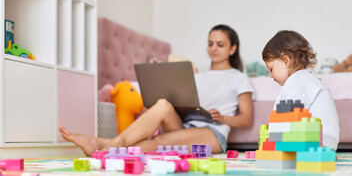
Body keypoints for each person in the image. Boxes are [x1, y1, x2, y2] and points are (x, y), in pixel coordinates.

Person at [59, 24, 254, 156]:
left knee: (159, 141)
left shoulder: (238, 77)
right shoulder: (196, 75)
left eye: (220, 45)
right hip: (185, 125)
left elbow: (247, 119)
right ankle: (113, 145)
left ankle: (106, 146)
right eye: (210, 44)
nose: (213, 49)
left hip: (213, 132)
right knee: (163, 104)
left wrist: (223, 118)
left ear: (232, 49)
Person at [262, 30, 340, 150]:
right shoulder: (311, 79)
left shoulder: (295, 81)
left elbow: (289, 116)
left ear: (286, 61)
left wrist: (274, 137)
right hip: (327, 142)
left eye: (271, 69)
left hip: (311, 142)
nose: (271, 76)